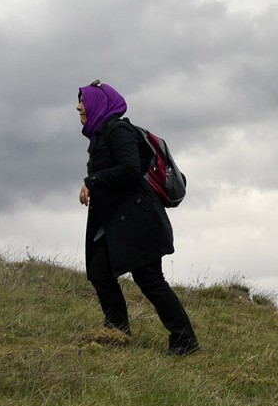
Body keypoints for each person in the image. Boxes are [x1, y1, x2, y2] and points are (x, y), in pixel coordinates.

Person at [77, 80, 201, 356]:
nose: (78, 106)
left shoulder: (118, 130)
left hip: (137, 220)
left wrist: (92, 180)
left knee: (150, 280)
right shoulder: (100, 136)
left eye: (83, 101)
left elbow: (130, 169)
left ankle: (185, 340)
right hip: (115, 222)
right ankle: (116, 330)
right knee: (99, 272)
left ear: (98, 104)